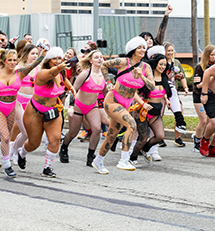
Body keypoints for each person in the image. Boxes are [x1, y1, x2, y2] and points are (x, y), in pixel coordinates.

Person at [0, 47, 45, 177]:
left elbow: (34, 64)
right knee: (6, 137)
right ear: (4, 61)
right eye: (10, 60)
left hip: (10, 108)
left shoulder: (20, 73)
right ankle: (7, 166)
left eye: (15, 60)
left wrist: (42, 56)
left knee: (2, 136)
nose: (12, 62)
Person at [92, 36, 155, 174]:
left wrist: (142, 76)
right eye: (139, 47)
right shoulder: (124, 62)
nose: (142, 50)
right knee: (131, 124)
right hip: (113, 101)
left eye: (144, 47)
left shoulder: (146, 67)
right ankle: (124, 160)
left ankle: (97, 161)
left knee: (112, 135)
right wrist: (108, 83)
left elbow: (152, 86)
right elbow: (104, 65)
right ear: (133, 49)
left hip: (126, 105)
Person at [17, 47, 71, 178]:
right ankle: (22, 153)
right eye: (55, 59)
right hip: (35, 111)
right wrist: (59, 67)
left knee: (55, 139)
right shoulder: (42, 73)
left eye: (59, 58)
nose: (58, 61)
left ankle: (47, 167)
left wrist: (72, 88)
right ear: (48, 60)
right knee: (33, 144)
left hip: (53, 110)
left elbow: (63, 80)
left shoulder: (60, 72)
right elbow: (52, 73)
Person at [60, 50, 106, 167]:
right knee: (73, 133)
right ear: (90, 60)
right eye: (96, 57)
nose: (99, 59)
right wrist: (70, 107)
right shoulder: (85, 73)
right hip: (78, 106)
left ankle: (90, 156)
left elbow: (106, 94)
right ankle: (64, 148)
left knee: (96, 129)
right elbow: (73, 90)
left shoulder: (104, 76)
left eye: (101, 57)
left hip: (92, 106)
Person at [129, 47, 170, 165]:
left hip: (156, 112)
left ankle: (145, 149)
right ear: (155, 64)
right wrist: (141, 104)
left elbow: (162, 93)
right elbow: (134, 92)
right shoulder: (147, 77)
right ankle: (133, 158)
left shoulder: (164, 78)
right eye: (160, 64)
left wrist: (166, 100)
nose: (162, 67)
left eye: (164, 65)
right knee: (142, 138)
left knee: (160, 136)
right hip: (143, 111)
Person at [192, 45, 215, 152]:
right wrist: (209, 79)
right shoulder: (199, 67)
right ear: (206, 55)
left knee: (209, 121)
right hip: (199, 95)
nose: (213, 57)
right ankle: (197, 141)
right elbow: (197, 85)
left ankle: (205, 140)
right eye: (211, 54)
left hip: (211, 96)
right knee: (203, 120)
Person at [163, 43, 189, 148]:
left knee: (179, 113)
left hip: (173, 91)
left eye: (172, 50)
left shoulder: (176, 62)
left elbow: (182, 76)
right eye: (168, 50)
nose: (170, 52)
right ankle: (158, 138)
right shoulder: (161, 62)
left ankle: (178, 138)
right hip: (162, 91)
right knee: (159, 115)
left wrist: (186, 88)